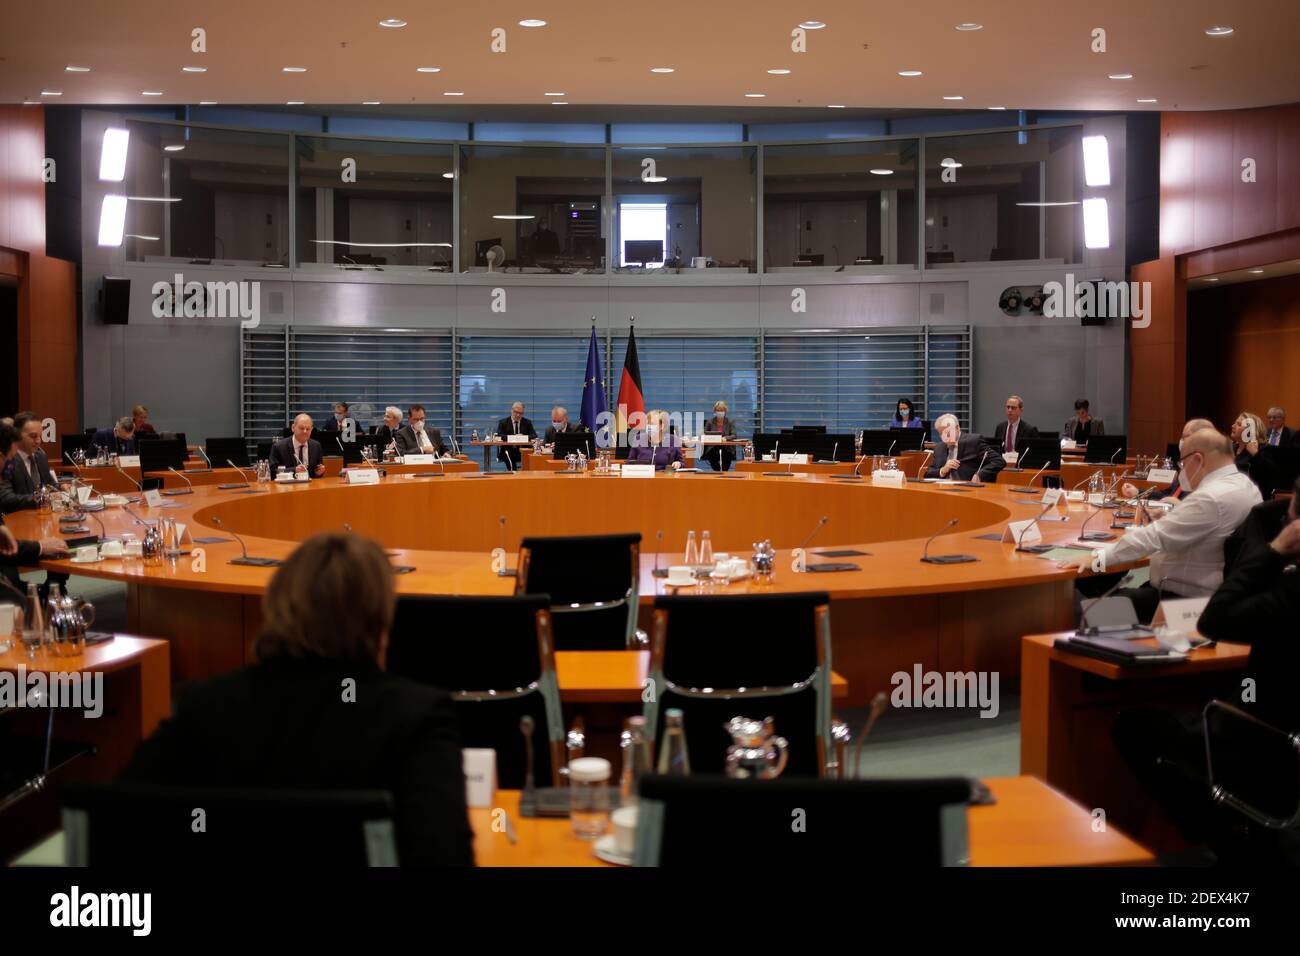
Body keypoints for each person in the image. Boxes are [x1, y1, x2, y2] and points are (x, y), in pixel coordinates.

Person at [117, 531, 475, 866]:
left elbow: (115, 819)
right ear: (380, 621)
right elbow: (446, 855)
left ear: (275, 604)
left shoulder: (206, 707)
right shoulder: (418, 718)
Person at [1068, 429, 1261, 622]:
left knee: (1087, 611)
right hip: (1214, 596)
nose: (1181, 470)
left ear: (1198, 459)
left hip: (1182, 603)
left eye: (1182, 463)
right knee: (1117, 594)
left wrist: (1096, 558)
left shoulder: (1210, 498)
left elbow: (1152, 538)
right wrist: (1172, 516)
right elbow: (1210, 526)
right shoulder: (1247, 487)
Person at [0, 423, 69, 601]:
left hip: (7, 573)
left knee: (58, 548)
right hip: (5, 586)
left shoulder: (40, 456)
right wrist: (40, 547)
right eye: (8, 460)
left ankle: (52, 593)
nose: (7, 468)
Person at [1121, 418, 1216, 501]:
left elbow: (1200, 509)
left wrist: (1178, 506)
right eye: (1182, 437)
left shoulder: (1208, 473)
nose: (1182, 441)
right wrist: (1138, 492)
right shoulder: (1187, 465)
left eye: (1186, 437)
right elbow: (1167, 494)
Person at [0, 411, 57, 512]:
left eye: (40, 436)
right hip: (17, 519)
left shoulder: (41, 456)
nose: (38, 441)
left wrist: (61, 488)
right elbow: (5, 497)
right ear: (17, 435)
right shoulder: (9, 461)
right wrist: (36, 499)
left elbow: (50, 484)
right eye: (33, 436)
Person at [925, 414, 1004, 482]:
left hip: (968, 490)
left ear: (957, 428)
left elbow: (999, 461)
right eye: (941, 434)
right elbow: (928, 473)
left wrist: (980, 475)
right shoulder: (940, 447)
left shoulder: (974, 442)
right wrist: (943, 470)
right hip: (943, 491)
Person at [1230, 411, 1278, 496]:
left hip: (1254, 498)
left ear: (1249, 431)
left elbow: (1272, 474)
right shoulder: (1231, 448)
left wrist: (1255, 454)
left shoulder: (1263, 449)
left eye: (1238, 424)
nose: (1233, 426)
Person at [269, 414, 325, 478]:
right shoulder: (279, 447)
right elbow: (272, 472)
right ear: (293, 427)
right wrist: (294, 470)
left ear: (311, 430)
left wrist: (318, 472)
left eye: (308, 429)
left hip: (310, 486)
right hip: (286, 486)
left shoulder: (316, 446)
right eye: (301, 428)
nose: (305, 431)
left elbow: (316, 473)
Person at [495, 401, 536, 470]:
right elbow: (499, 435)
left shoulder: (527, 422)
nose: (518, 415)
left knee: (529, 467)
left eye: (520, 413)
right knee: (512, 467)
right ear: (511, 410)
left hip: (524, 450)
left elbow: (534, 435)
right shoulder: (503, 422)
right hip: (508, 450)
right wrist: (515, 437)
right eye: (516, 412)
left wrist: (523, 437)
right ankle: (514, 476)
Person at [700, 400, 737, 472]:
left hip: (726, 448)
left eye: (722, 410)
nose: (720, 412)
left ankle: (723, 472)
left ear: (725, 411)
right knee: (711, 455)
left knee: (727, 457)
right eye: (718, 410)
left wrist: (725, 438)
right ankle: (718, 472)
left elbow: (734, 435)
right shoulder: (710, 422)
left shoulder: (730, 422)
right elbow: (704, 434)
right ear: (715, 411)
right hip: (713, 447)